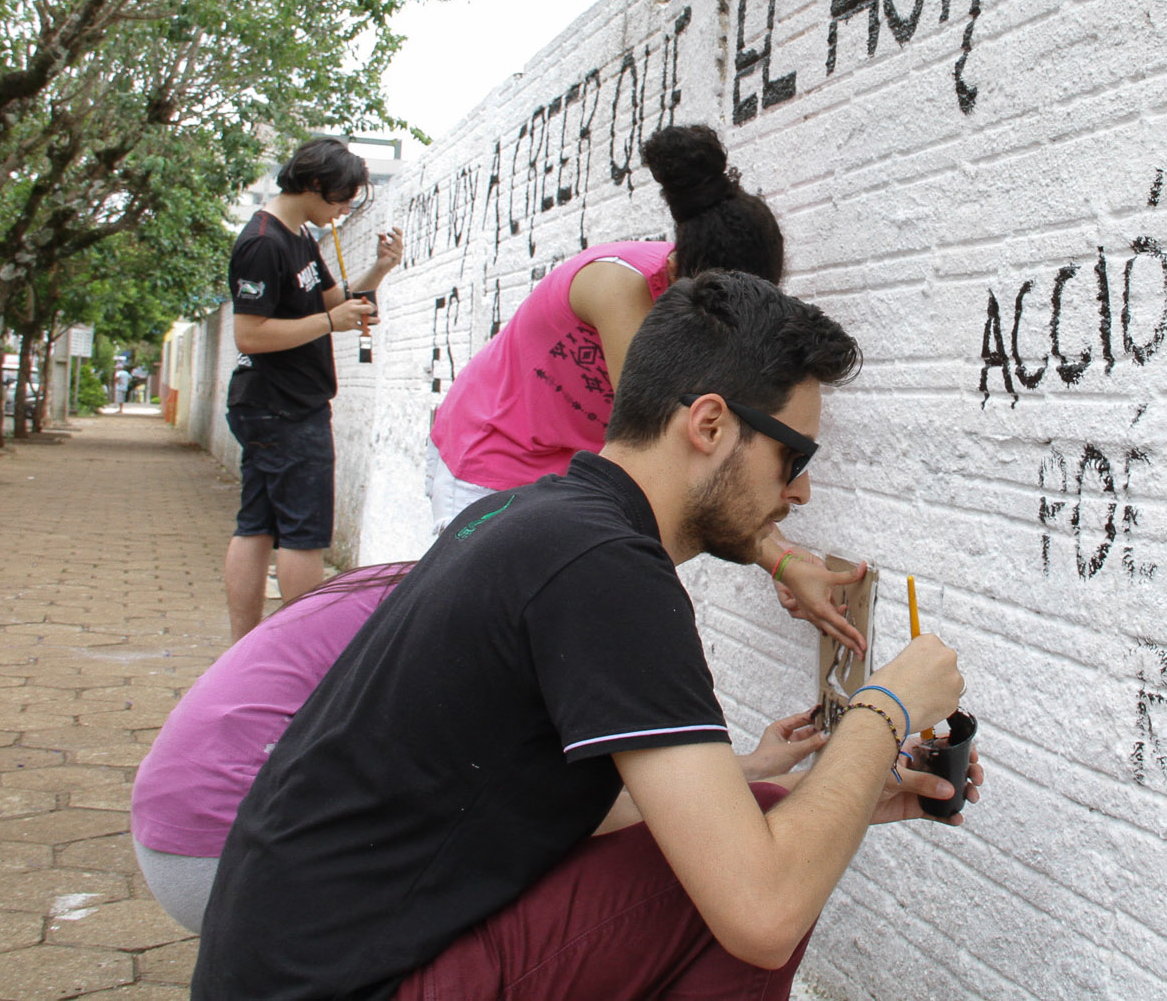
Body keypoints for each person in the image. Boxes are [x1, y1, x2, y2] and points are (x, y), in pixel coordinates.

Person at [193, 271, 979, 1001]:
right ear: (709, 423)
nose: (801, 490)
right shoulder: (605, 566)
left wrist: (838, 792)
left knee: (768, 820)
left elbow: (560, 814)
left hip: (282, 968)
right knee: (757, 890)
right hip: (348, 982)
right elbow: (761, 911)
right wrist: (884, 709)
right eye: (793, 455)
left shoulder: (530, 516)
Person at [131, 562, 827, 934]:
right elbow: (589, 807)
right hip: (224, 860)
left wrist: (752, 767)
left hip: (175, 829)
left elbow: (624, 782)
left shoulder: (438, 585)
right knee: (626, 871)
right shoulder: (504, 630)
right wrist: (800, 800)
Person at [428, 122, 867, 656]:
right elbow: (677, 450)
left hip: (565, 475)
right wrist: (780, 558)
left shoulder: (698, 307)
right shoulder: (616, 286)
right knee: (485, 641)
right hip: (489, 455)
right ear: (679, 269)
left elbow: (710, 452)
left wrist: (784, 557)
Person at [224, 137, 402, 640]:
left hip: (271, 406)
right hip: (282, 406)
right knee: (303, 537)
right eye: (343, 198)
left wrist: (380, 270)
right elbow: (250, 334)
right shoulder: (264, 242)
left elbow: (334, 299)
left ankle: (245, 650)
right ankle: (299, 657)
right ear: (316, 185)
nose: (346, 209)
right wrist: (331, 322)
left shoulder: (298, 234)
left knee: (256, 525)